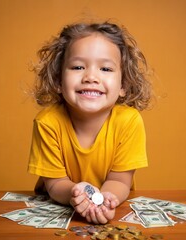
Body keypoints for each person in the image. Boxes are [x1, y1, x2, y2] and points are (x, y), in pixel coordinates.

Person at [28, 21, 152, 224]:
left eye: (105, 68)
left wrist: (106, 201)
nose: (91, 77)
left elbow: (119, 181)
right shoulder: (47, 122)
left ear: (123, 85)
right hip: (58, 205)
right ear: (58, 81)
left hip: (112, 207)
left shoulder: (129, 121)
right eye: (78, 67)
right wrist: (74, 193)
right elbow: (55, 184)